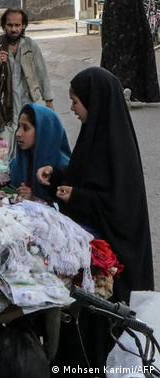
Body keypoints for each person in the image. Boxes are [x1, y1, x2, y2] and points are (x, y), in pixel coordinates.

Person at [39, 66, 155, 372]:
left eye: (76, 101)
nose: (73, 109)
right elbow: (85, 179)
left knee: (103, 327)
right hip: (92, 253)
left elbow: (118, 207)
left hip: (115, 262)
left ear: (94, 101)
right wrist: (57, 177)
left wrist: (77, 197)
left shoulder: (117, 149)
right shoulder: (95, 136)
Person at [0, 8, 53, 159]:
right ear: (4, 26)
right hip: (4, 109)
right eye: (10, 25)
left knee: (25, 150)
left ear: (24, 26)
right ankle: (0, 180)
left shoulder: (31, 46)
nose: (14, 29)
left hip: (26, 106)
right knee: (0, 152)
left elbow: (42, 73)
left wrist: (49, 101)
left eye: (17, 25)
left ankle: (22, 179)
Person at [0, 104, 71, 203]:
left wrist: (34, 199)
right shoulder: (18, 164)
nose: (18, 133)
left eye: (25, 128)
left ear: (43, 132)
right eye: (19, 127)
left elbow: (65, 210)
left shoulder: (63, 169)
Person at [101, 0, 160, 103]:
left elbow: (106, 25)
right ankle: (131, 91)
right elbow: (141, 23)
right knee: (132, 63)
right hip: (132, 38)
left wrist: (106, 43)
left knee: (116, 64)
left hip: (115, 42)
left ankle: (118, 90)